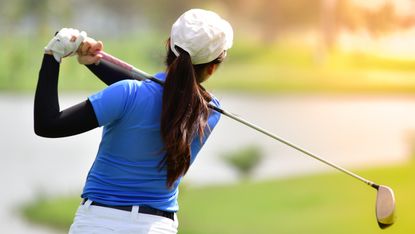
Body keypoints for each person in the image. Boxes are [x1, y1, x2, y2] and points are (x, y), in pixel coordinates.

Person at [34, 9, 233, 234]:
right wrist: (95, 63)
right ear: (212, 67)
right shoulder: (210, 111)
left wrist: (53, 54)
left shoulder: (127, 94)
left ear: (168, 44)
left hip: (96, 224)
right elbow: (155, 92)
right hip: (158, 227)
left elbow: (47, 124)